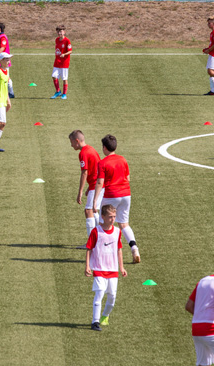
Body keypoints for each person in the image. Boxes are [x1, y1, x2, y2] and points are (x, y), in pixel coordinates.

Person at [92, 134, 140, 263]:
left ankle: (103, 253)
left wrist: (95, 201)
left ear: (104, 148)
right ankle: (134, 248)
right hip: (126, 194)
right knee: (124, 224)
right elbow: (128, 178)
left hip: (112, 195)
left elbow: (100, 183)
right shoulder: (123, 159)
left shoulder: (102, 163)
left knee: (103, 224)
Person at [85, 204, 128, 332]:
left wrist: (122, 267)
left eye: (114, 217)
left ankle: (105, 316)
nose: (112, 219)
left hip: (113, 270)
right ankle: (95, 321)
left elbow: (119, 250)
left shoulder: (117, 232)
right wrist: (87, 265)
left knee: (112, 297)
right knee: (100, 293)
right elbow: (89, 248)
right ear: (103, 217)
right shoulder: (96, 231)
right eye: (110, 217)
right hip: (99, 269)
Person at [69, 130, 102, 237]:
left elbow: (84, 173)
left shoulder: (83, 153)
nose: (71, 145)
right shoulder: (92, 149)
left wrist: (80, 192)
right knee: (94, 210)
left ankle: (91, 242)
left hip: (96, 185)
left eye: (71, 142)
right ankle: (98, 239)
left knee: (88, 211)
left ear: (77, 141)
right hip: (99, 183)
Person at [51, 25, 72, 100]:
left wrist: (64, 54)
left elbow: (70, 51)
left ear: (64, 32)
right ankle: (58, 91)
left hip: (64, 63)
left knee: (64, 79)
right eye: (58, 32)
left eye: (61, 32)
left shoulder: (67, 40)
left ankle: (64, 94)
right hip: (57, 62)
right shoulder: (56, 40)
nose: (59, 33)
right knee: (54, 76)